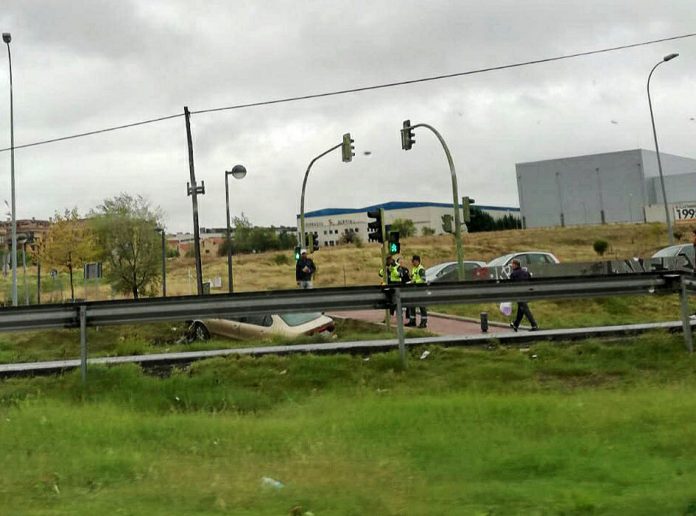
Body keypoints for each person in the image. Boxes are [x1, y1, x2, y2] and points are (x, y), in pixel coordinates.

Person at [509, 259, 539, 331]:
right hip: (527, 293)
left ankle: (534, 325)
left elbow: (511, 286)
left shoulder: (513, 274)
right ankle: (516, 324)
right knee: (521, 309)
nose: (511, 266)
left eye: (512, 264)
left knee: (525, 309)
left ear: (515, 265)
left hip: (519, 294)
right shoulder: (526, 272)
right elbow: (531, 281)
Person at [407, 255, 428, 328]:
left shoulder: (420, 269)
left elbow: (423, 279)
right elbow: (414, 277)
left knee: (421, 306)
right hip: (414, 289)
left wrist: (414, 282)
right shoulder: (414, 268)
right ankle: (412, 321)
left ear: (417, 261)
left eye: (413, 261)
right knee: (412, 305)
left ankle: (423, 322)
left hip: (420, 289)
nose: (412, 263)